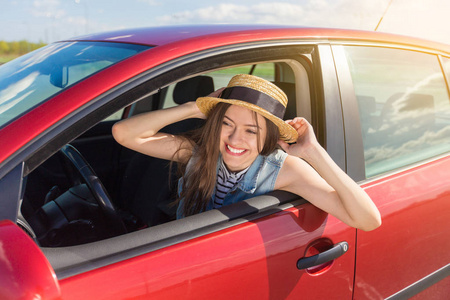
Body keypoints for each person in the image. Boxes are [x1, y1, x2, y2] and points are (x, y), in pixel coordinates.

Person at [112, 74, 381, 231]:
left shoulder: (284, 170)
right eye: (226, 124)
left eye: (251, 131)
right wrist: (196, 107)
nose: (234, 139)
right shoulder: (200, 153)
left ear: (268, 137)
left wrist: (313, 152)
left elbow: (368, 220)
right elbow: (124, 134)